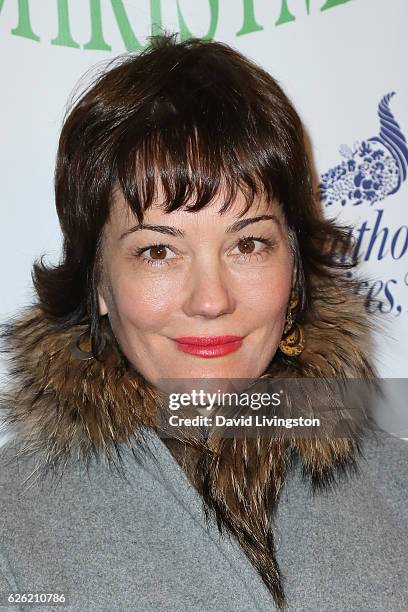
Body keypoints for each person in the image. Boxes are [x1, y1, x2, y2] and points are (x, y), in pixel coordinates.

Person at [0, 32, 407, 612]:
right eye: (158, 252)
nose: (211, 300)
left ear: (294, 267)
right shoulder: (13, 533)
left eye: (248, 245)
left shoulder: (398, 489)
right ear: (99, 283)